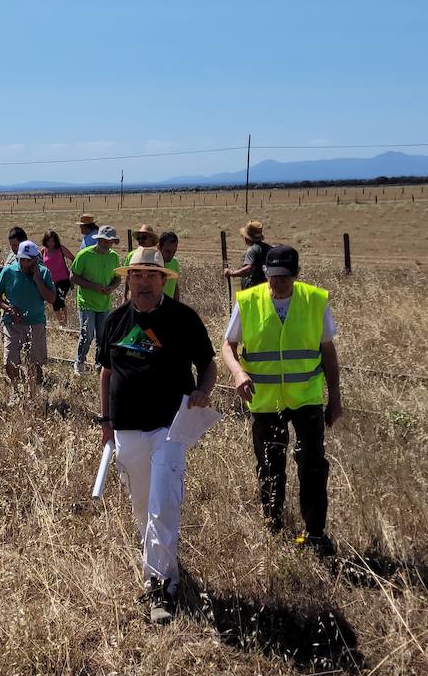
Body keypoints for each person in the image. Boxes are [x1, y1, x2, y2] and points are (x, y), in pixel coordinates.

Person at [96, 247, 216, 624]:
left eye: (152, 275)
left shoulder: (183, 319)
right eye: (137, 275)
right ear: (127, 280)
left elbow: (208, 364)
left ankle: (161, 587)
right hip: (126, 426)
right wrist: (105, 421)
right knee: (142, 504)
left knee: (163, 504)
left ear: (163, 280)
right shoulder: (115, 321)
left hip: (170, 426)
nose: (144, 282)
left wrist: (203, 391)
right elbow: (106, 373)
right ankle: (159, 558)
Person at [220, 245, 343, 556]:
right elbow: (228, 346)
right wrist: (237, 373)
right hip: (265, 401)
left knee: (312, 465)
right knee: (270, 465)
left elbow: (328, 353)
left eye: (285, 278)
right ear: (265, 273)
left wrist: (335, 398)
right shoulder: (248, 302)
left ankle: (315, 533)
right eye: (273, 277)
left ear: (296, 274)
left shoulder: (315, 300)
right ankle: (272, 525)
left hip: (306, 398)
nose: (278, 283)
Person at [0, 240, 57, 399]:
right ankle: (15, 390)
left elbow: (51, 298)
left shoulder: (43, 273)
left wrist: (38, 281)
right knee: (10, 360)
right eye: (23, 260)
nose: (26, 263)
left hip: (35, 323)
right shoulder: (8, 272)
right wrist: (7, 308)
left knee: (34, 362)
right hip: (12, 323)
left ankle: (32, 392)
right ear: (18, 259)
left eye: (29, 260)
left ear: (35, 259)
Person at [69, 225, 122, 374]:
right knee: (87, 335)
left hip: (104, 304)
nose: (107, 244)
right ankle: (79, 362)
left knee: (102, 337)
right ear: (98, 239)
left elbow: (118, 278)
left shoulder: (114, 257)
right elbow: (73, 277)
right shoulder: (84, 255)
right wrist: (93, 286)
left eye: (110, 242)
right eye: (104, 241)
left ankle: (99, 366)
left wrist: (111, 287)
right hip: (86, 302)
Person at [222, 220, 270, 291]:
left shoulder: (252, 250)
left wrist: (232, 273)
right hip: (265, 287)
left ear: (247, 238)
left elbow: (249, 269)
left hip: (253, 289)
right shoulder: (267, 247)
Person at [40, 229, 75, 323]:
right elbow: (38, 263)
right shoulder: (43, 251)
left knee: (59, 300)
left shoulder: (61, 248)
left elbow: (74, 259)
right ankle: (62, 323)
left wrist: (72, 274)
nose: (51, 243)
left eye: (53, 240)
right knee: (55, 302)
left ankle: (63, 323)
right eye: (48, 241)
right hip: (51, 281)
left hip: (63, 279)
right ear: (45, 241)